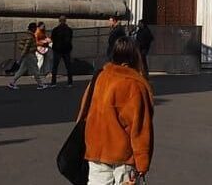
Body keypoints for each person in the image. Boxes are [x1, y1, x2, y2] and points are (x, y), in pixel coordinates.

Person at [81, 36, 153, 185]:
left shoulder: (99, 77)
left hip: (95, 150)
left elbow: (84, 111)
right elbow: (139, 128)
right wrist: (142, 163)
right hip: (122, 155)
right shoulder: (134, 85)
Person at [9, 22, 48, 89]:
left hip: (27, 55)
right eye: (35, 28)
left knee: (22, 70)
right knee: (35, 69)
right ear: (32, 28)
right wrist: (22, 55)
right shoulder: (30, 37)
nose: (36, 29)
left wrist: (23, 55)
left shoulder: (26, 35)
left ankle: (12, 82)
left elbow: (22, 45)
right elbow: (26, 47)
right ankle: (40, 84)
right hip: (30, 54)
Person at [50, 16, 76, 85]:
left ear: (59, 21)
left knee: (55, 66)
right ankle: (70, 82)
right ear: (65, 21)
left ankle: (53, 82)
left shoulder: (55, 30)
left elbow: (52, 38)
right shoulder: (69, 30)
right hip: (66, 50)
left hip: (57, 50)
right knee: (68, 66)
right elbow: (70, 39)